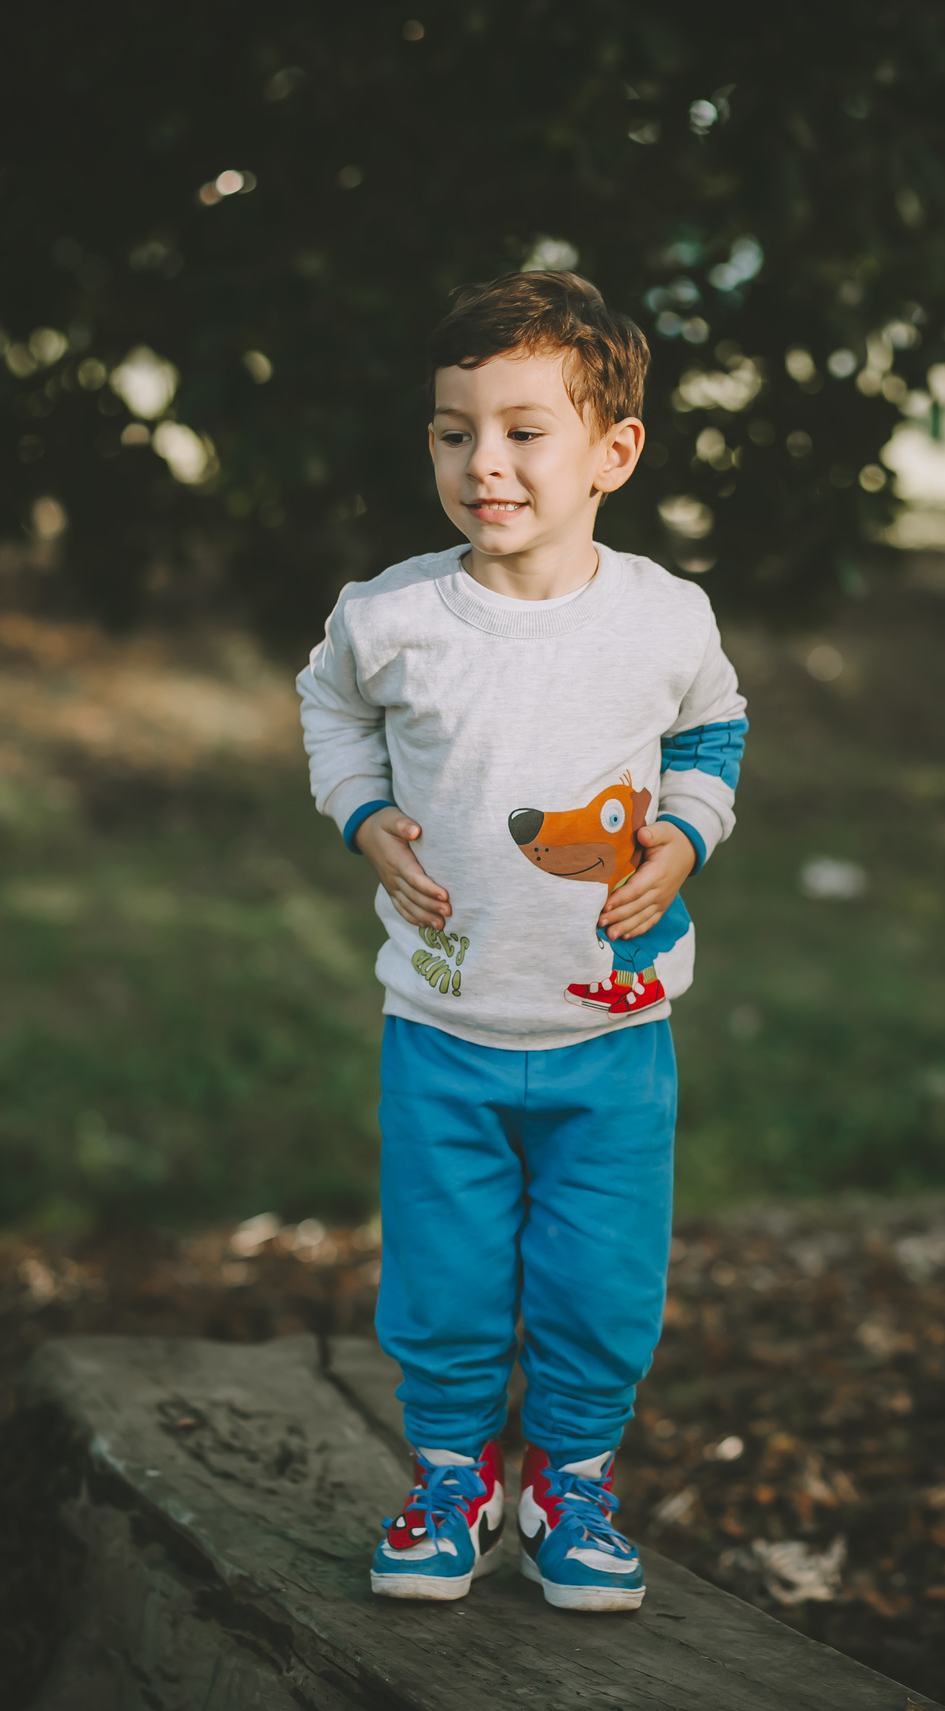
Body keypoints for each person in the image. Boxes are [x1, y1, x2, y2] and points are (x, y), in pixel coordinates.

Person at [297, 271, 747, 1612]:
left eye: (522, 429)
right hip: (443, 1029)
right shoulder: (392, 619)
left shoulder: (666, 618)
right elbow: (328, 710)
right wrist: (363, 812)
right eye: (453, 431)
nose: (482, 461)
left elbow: (713, 732)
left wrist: (684, 835)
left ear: (613, 451)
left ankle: (572, 1482)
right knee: (443, 1277)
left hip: (615, 1038)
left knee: (602, 1284)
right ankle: (452, 1480)